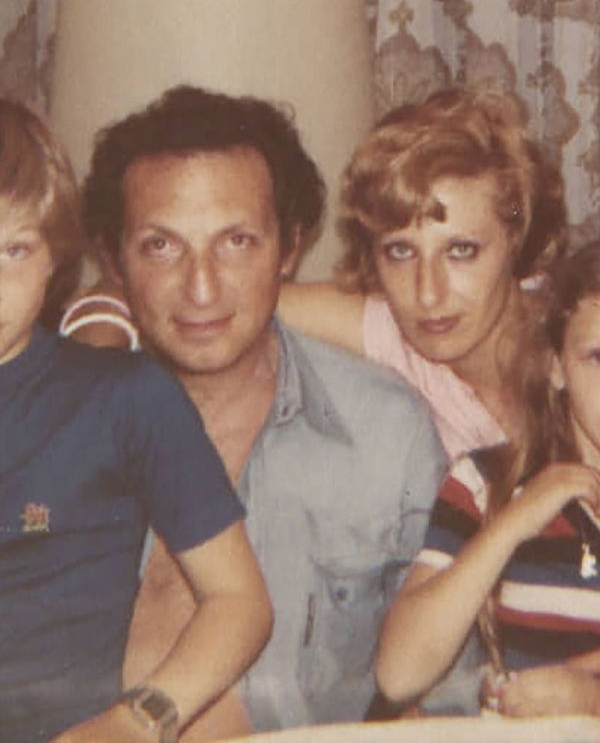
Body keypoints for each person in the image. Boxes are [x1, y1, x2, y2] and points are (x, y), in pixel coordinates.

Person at [62, 84, 447, 739]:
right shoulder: (56, 426)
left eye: (236, 241)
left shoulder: (387, 436)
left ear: (289, 248)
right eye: (161, 246)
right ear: (114, 261)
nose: (202, 287)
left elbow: (450, 702)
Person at [0, 98, 272, 743]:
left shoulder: (122, 399)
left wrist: (140, 717)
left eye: (13, 249)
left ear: (55, 255)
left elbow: (240, 603)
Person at [376, 239, 600, 717]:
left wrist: (591, 699)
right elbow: (399, 674)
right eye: (598, 357)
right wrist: (515, 520)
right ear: (556, 366)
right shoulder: (486, 481)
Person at [278, 88, 567, 457]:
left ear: (516, 240)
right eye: (401, 252)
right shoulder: (395, 334)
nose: (428, 293)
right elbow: (247, 301)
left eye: (461, 251)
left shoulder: (572, 341)